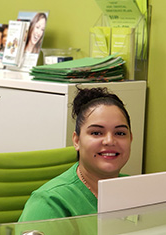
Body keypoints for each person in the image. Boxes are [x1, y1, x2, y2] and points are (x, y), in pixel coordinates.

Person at [18, 86, 132, 221]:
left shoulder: (136, 190)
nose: (109, 141)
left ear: (130, 138)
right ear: (77, 140)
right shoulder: (48, 204)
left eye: (120, 133)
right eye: (96, 133)